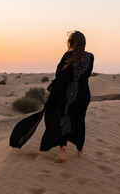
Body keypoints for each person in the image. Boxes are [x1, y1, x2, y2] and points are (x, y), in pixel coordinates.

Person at [10, 30, 94, 163]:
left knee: (64, 119)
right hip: (83, 95)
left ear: (71, 43)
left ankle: (63, 150)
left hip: (68, 94)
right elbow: (87, 75)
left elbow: (59, 73)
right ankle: (80, 151)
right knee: (79, 121)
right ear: (84, 43)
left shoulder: (68, 55)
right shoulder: (90, 57)